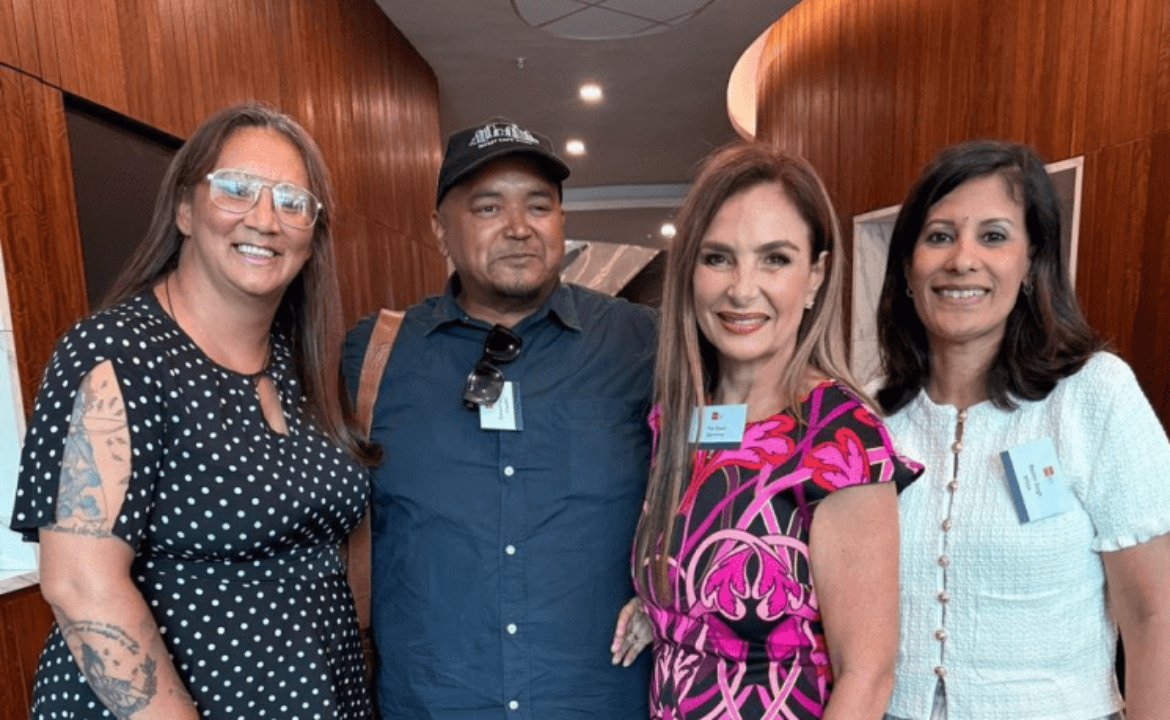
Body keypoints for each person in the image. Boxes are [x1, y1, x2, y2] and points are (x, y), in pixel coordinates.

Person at [11, 102, 377, 719]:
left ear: (313, 236)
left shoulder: (298, 364)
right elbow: (80, 587)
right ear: (184, 208)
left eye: (292, 201)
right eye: (236, 189)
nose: (265, 219)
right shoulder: (116, 353)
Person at [343, 118, 656, 718]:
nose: (519, 228)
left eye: (540, 205)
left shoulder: (641, 344)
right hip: (433, 702)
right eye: (488, 207)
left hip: (598, 700)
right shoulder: (374, 356)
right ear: (441, 231)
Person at [610, 142, 922, 719]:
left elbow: (869, 674)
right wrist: (659, 605)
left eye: (774, 259)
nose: (742, 288)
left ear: (814, 277)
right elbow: (715, 565)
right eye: (718, 258)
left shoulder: (840, 437)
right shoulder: (680, 418)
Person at [877, 140, 1170, 720]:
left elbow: (1154, 613)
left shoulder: (1094, 395)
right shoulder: (872, 419)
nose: (962, 259)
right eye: (938, 236)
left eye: (993, 235)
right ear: (908, 270)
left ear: (1032, 263)